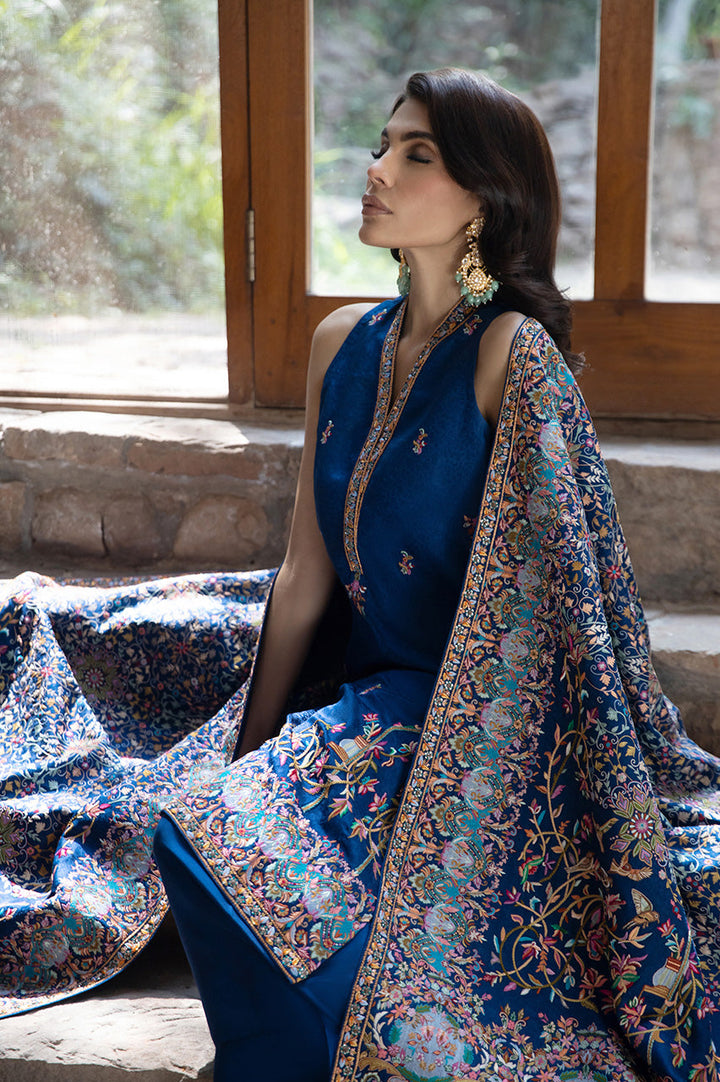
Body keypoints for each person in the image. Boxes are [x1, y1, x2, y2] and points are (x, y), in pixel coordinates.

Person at [152, 68, 720, 1082]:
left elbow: (574, 597)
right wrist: (249, 750)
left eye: (417, 153)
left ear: (484, 200)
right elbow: (305, 573)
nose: (376, 169)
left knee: (256, 888)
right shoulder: (341, 341)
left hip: (475, 722)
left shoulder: (511, 354)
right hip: (358, 698)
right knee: (196, 834)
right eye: (383, 144)